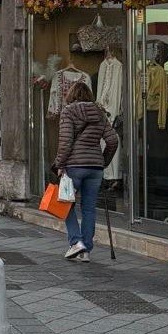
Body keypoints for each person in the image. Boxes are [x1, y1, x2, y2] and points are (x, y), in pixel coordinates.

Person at [53, 82, 118, 263]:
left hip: (74, 166)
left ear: (71, 95)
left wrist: (59, 163)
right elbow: (112, 140)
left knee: (66, 204)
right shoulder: (100, 113)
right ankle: (86, 250)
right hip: (95, 168)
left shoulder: (68, 112)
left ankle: (76, 242)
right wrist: (103, 161)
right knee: (89, 209)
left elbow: (65, 142)